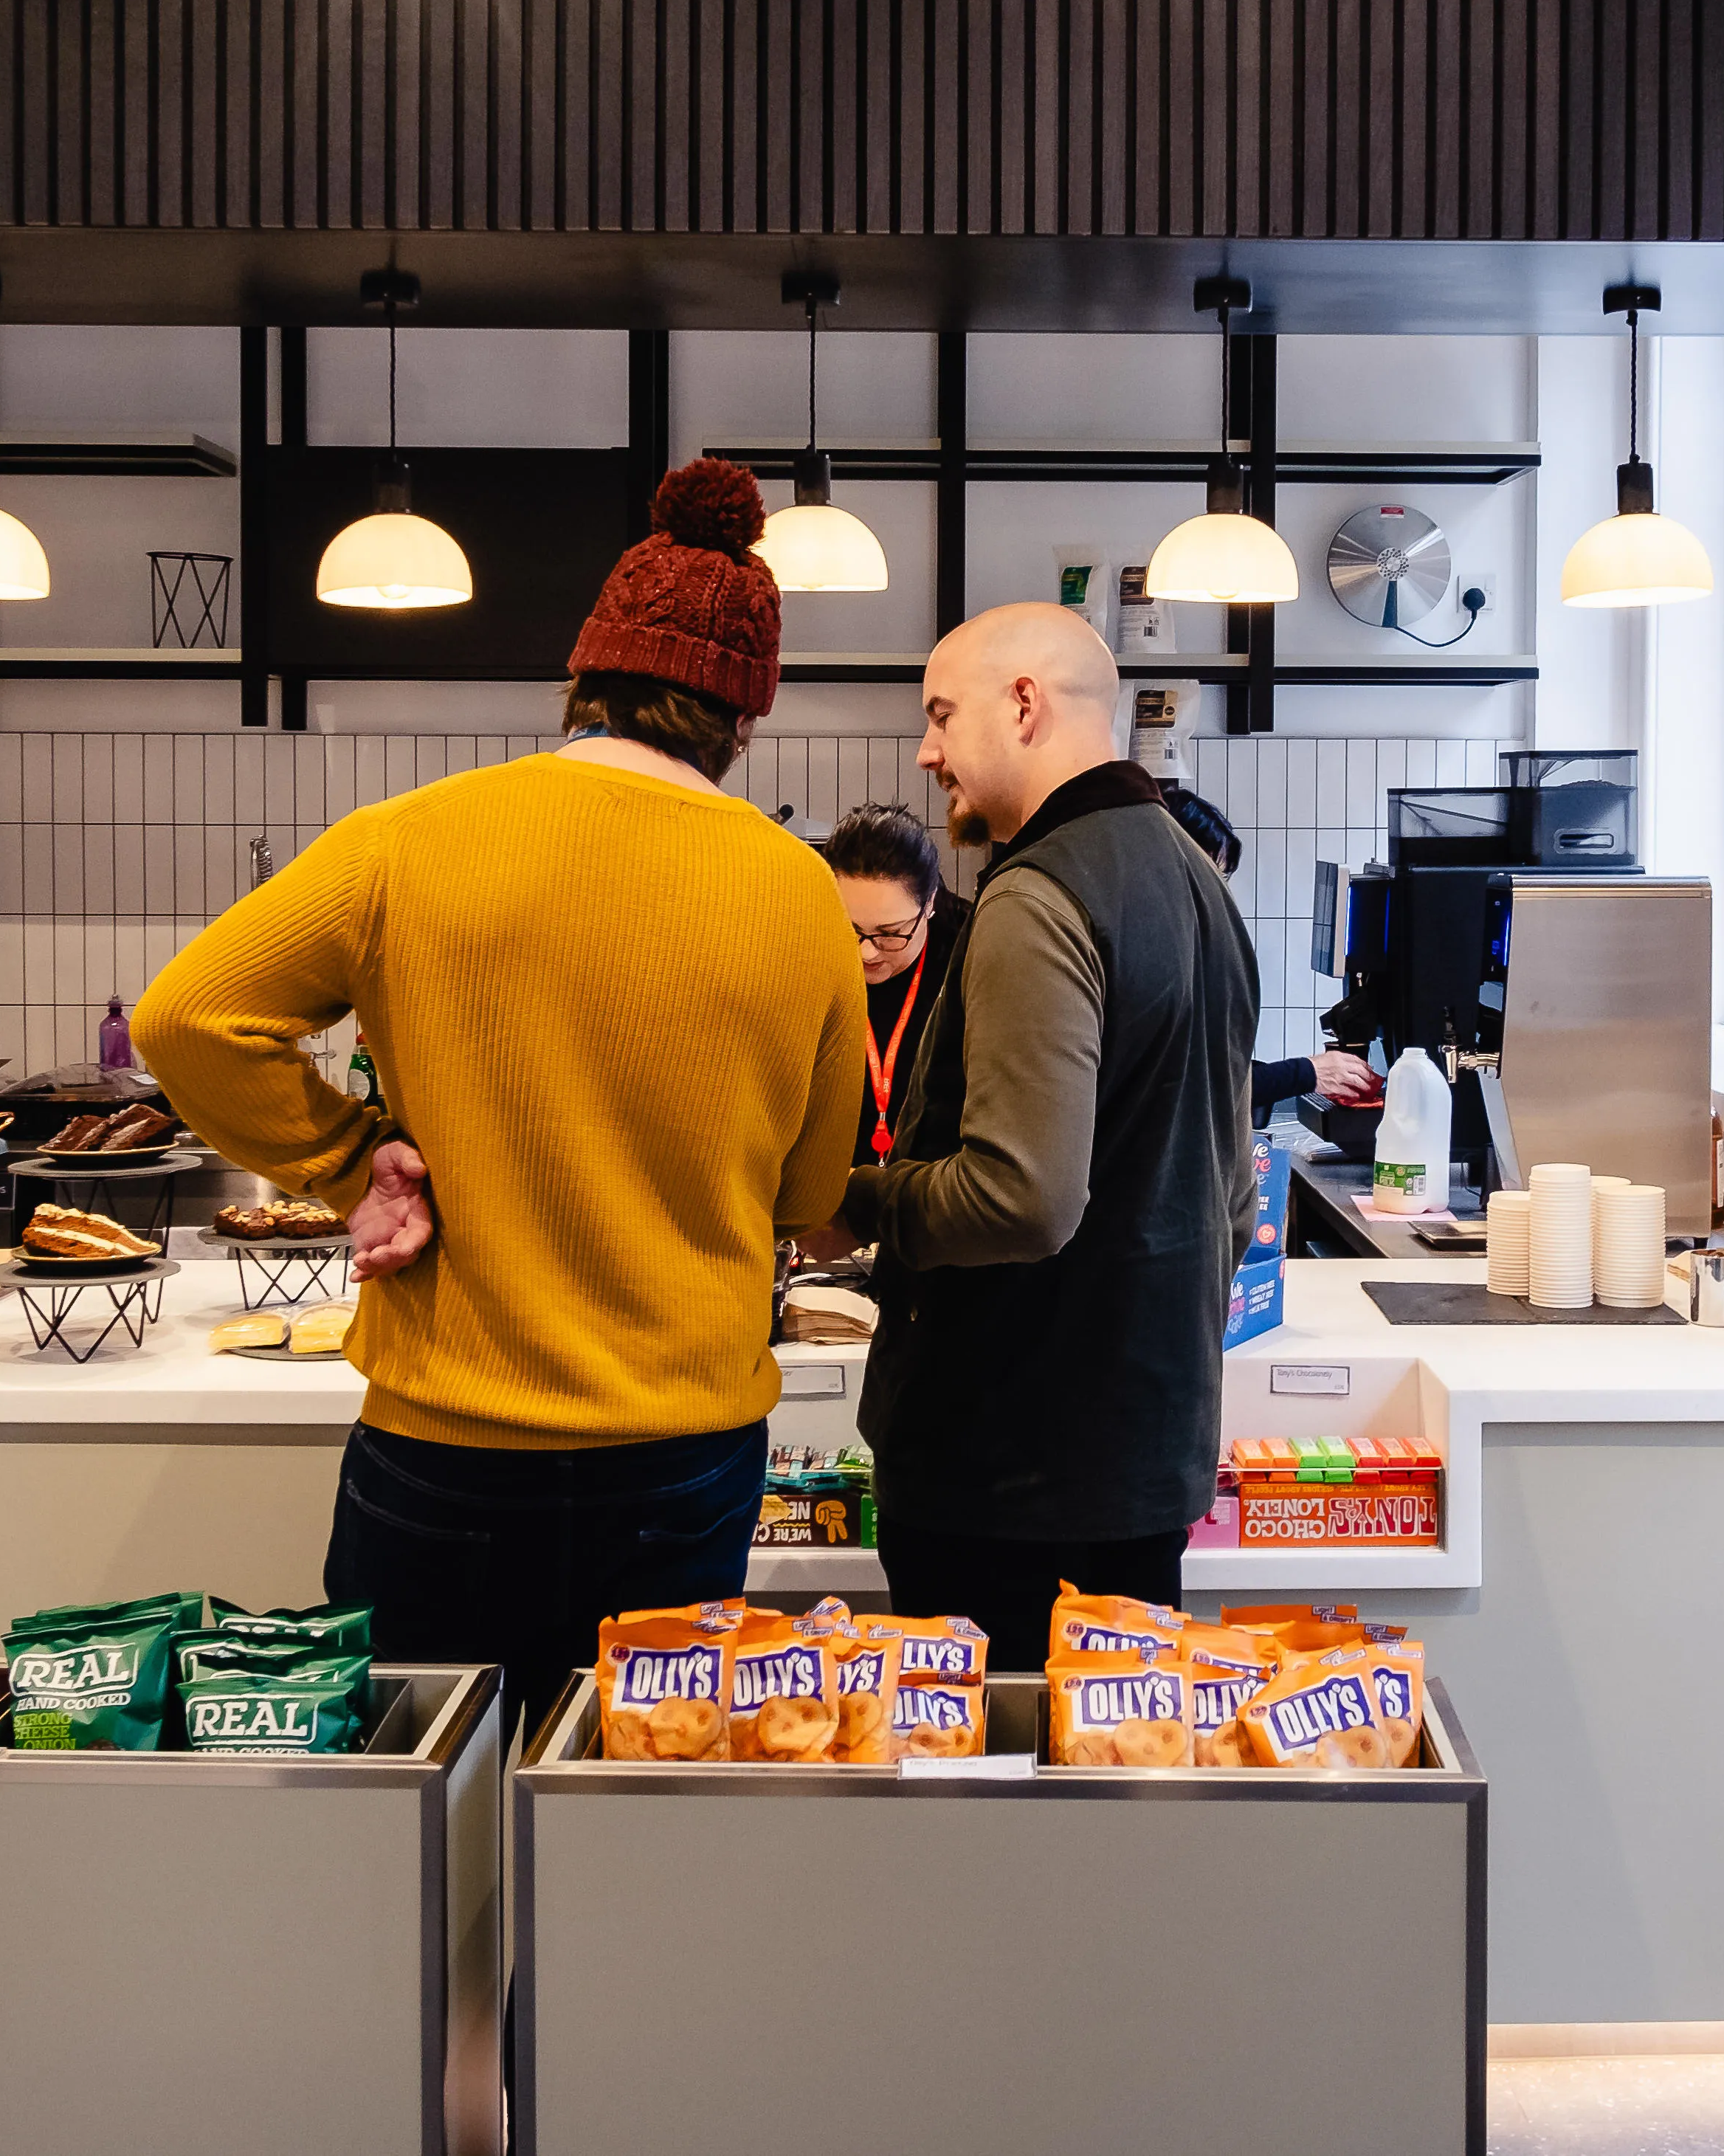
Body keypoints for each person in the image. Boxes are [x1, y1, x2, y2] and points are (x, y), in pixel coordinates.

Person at [134, 459, 869, 1709]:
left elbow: (189, 1016)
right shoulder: (801, 892)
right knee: (642, 1792)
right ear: (743, 719)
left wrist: (349, 1165)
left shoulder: (410, 838)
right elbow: (807, 1192)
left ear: (584, 683)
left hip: (447, 1450)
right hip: (683, 1454)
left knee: (427, 1800)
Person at [812, 601, 1261, 1663]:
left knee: (984, 1815)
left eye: (940, 715)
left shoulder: (1037, 896)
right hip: (1144, 1464)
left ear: (1023, 705)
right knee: (1111, 1790)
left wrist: (851, 1198)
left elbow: (1023, 1196)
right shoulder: (1200, 882)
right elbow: (1232, 1198)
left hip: (1005, 1488)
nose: (926, 752)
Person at [1155, 781, 1383, 1116]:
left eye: (1223, 880)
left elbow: (1217, 1071)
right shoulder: (1156, 964)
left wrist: (1304, 1074)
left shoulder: (1180, 950)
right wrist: (1308, 1073)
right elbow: (1195, 1088)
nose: (1218, 896)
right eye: (1209, 878)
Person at [821, 802, 974, 1168]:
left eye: (890, 934)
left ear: (931, 904)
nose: (867, 953)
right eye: (851, 930)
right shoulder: (809, 946)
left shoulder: (972, 952)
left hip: (935, 1184)